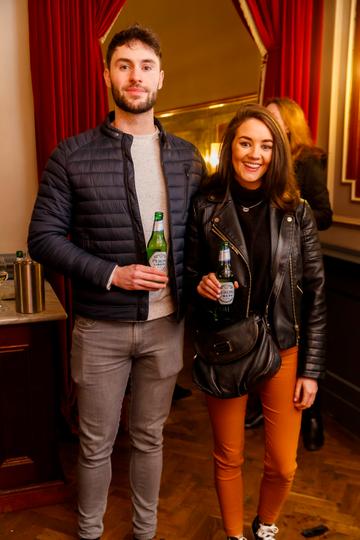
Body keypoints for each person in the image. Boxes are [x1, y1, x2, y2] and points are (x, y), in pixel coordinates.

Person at [28, 24, 206, 540]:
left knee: (150, 439)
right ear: (107, 74)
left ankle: (145, 533)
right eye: (124, 65)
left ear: (160, 77)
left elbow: (201, 236)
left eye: (145, 66)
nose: (135, 76)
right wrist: (113, 274)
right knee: (95, 443)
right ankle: (89, 532)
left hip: (167, 326)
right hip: (99, 329)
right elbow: (42, 238)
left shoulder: (187, 158)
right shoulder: (72, 154)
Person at [185, 103, 326, 540]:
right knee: (229, 455)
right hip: (225, 345)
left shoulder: (296, 210)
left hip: (283, 348)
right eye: (246, 143)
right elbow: (187, 274)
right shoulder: (206, 206)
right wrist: (201, 284)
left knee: (283, 463)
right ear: (230, 148)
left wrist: (312, 370)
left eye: (266, 145)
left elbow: (315, 291)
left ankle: (265, 524)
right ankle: (234, 535)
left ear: (277, 153)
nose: (255, 154)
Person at [264, 97, 331, 450]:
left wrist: (294, 217)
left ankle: (313, 416)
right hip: (270, 265)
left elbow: (326, 213)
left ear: (289, 123)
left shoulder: (308, 160)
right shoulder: (266, 158)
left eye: (274, 119)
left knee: (304, 342)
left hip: (301, 265)